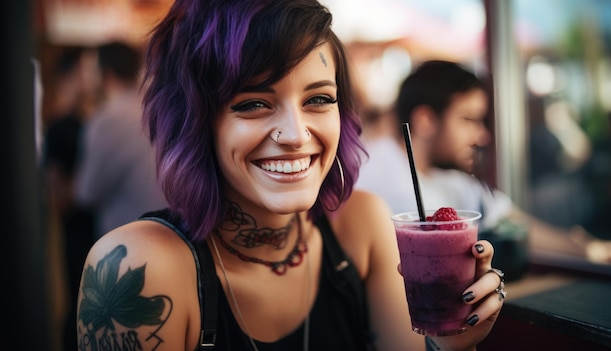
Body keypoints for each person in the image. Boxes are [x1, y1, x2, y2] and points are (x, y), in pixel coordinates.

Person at [76, 2, 504, 351]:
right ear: (196, 122)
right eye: (253, 103)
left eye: (318, 98)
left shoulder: (362, 225)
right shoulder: (137, 267)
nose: (297, 135)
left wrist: (454, 345)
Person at [356, 60, 611, 266]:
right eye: (468, 119)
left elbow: (510, 220)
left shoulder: (450, 178)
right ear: (425, 120)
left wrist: (588, 249)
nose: (482, 136)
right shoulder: (374, 175)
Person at [74, 41, 167, 239]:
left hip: (127, 242)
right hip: (170, 235)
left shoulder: (107, 119)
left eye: (90, 70)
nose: (86, 78)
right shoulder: (158, 108)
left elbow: (87, 193)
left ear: (105, 74)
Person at [41, 45, 97, 351]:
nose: (94, 75)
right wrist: (94, 176)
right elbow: (58, 198)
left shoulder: (95, 121)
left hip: (102, 228)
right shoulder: (59, 128)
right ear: (72, 76)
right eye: (87, 69)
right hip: (78, 235)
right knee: (81, 306)